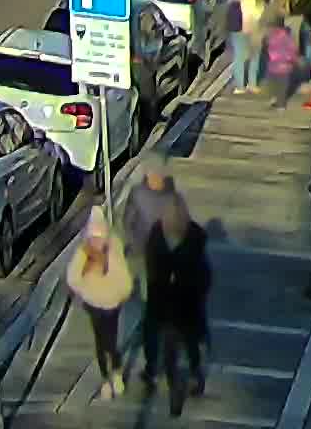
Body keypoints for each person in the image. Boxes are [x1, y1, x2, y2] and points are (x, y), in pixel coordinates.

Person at [136, 173, 212, 414]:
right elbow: (203, 272)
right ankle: (190, 376)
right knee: (184, 342)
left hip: (170, 300)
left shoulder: (160, 236)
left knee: (164, 341)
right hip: (181, 301)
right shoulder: (191, 237)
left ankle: (159, 375)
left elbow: (152, 266)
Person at [61, 210, 136, 400]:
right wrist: (85, 289)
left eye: (99, 237)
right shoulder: (84, 253)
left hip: (112, 303)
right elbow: (72, 277)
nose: (96, 242)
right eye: (93, 238)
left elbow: (123, 278)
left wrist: (121, 294)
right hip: (94, 303)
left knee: (111, 342)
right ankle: (105, 380)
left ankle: (116, 372)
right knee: (100, 344)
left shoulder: (113, 250)